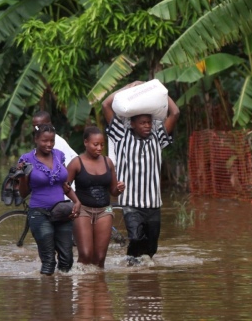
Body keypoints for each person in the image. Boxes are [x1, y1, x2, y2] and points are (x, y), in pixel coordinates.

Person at [102, 81, 180, 265]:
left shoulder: (157, 137)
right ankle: (132, 270)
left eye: (149, 122)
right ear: (133, 124)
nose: (147, 126)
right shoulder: (121, 135)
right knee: (136, 238)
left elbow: (175, 113)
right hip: (131, 203)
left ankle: (142, 277)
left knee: (151, 248)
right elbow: (105, 105)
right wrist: (129, 87)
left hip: (153, 204)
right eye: (143, 123)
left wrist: (159, 91)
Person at [17, 124, 81, 275]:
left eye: (52, 141)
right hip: (39, 214)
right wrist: (23, 176)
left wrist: (77, 202)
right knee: (48, 262)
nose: (49, 144)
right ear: (36, 139)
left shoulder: (59, 155)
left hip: (62, 212)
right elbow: (23, 193)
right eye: (45, 141)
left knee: (67, 260)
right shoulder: (26, 159)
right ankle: (47, 297)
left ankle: (62, 296)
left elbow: (64, 184)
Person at [66, 126, 125, 268]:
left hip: (105, 210)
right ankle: (84, 287)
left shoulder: (108, 162)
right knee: (86, 254)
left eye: (102, 145)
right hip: (83, 211)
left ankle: (99, 288)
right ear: (86, 142)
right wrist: (76, 201)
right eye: (95, 144)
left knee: (100, 257)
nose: (99, 148)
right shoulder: (76, 163)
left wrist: (119, 189)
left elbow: (113, 191)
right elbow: (65, 186)